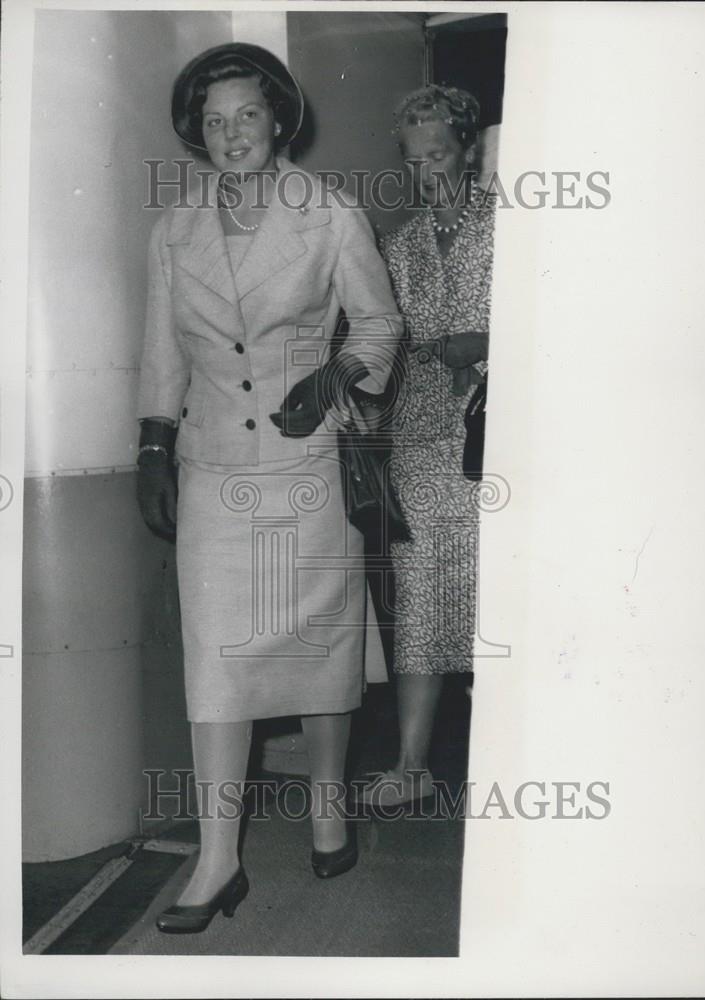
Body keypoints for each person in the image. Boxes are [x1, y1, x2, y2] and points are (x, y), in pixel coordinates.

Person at [136, 43, 401, 932]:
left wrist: (334, 380)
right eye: (213, 121)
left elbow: (378, 322)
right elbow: (163, 349)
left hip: (305, 463)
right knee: (216, 659)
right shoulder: (173, 229)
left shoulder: (327, 215)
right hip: (213, 465)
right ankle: (218, 860)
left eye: (246, 114)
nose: (230, 133)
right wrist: (151, 444)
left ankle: (328, 806)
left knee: (318, 651)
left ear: (277, 119)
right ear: (195, 132)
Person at [359, 85, 494, 807]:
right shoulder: (399, 245)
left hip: (495, 443)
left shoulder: (511, 227)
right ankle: (411, 767)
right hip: (416, 445)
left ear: (468, 149)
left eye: (437, 154)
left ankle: (513, 757)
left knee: (498, 603)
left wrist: (488, 342)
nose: (425, 173)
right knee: (419, 605)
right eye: (412, 161)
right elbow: (385, 348)